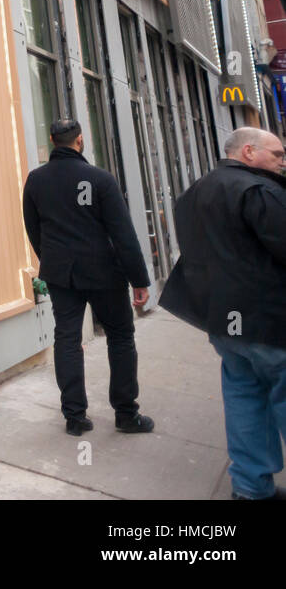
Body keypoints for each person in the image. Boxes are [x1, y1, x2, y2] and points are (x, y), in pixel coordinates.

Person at [160, 127, 286, 500]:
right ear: (248, 152)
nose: (282, 161)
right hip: (271, 321)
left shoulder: (193, 194)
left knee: (244, 400)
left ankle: (250, 489)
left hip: (225, 324)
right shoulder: (259, 191)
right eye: (278, 154)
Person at [22, 118, 153, 436]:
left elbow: (33, 228)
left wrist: (50, 260)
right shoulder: (100, 179)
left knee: (66, 339)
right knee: (121, 337)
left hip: (61, 274)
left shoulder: (36, 180)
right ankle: (125, 413)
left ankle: (75, 418)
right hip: (104, 272)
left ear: (53, 141)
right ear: (79, 140)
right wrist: (139, 279)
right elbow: (123, 235)